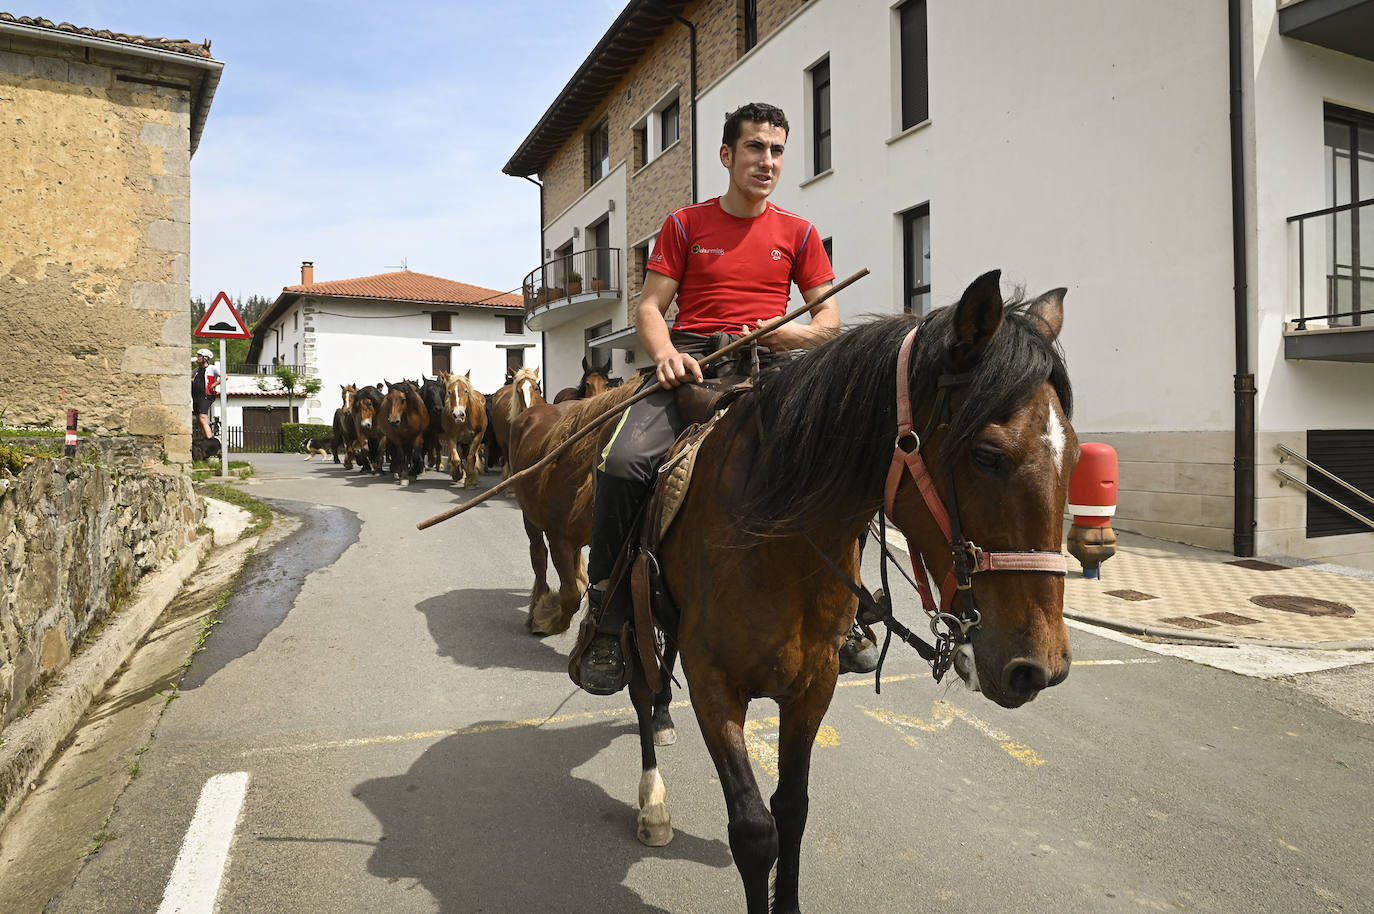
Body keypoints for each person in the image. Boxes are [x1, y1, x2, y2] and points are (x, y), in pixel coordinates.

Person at [575, 102, 878, 696]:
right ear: (726, 156)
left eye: (777, 150)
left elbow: (828, 323)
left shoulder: (799, 232)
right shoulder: (685, 224)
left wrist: (779, 332)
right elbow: (648, 308)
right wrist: (665, 354)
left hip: (775, 369)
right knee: (621, 464)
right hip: (692, 363)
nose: (767, 161)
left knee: (849, 463)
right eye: (755, 148)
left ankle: (846, 605)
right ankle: (607, 618)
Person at [192, 348, 221, 440]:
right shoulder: (196, 370)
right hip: (196, 396)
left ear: (205, 358)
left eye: (199, 356)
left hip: (206, 395)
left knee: (203, 417)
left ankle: (210, 440)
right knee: (198, 420)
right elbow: (190, 379)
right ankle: (205, 439)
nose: (198, 358)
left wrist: (215, 384)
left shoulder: (212, 368)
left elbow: (225, 377)